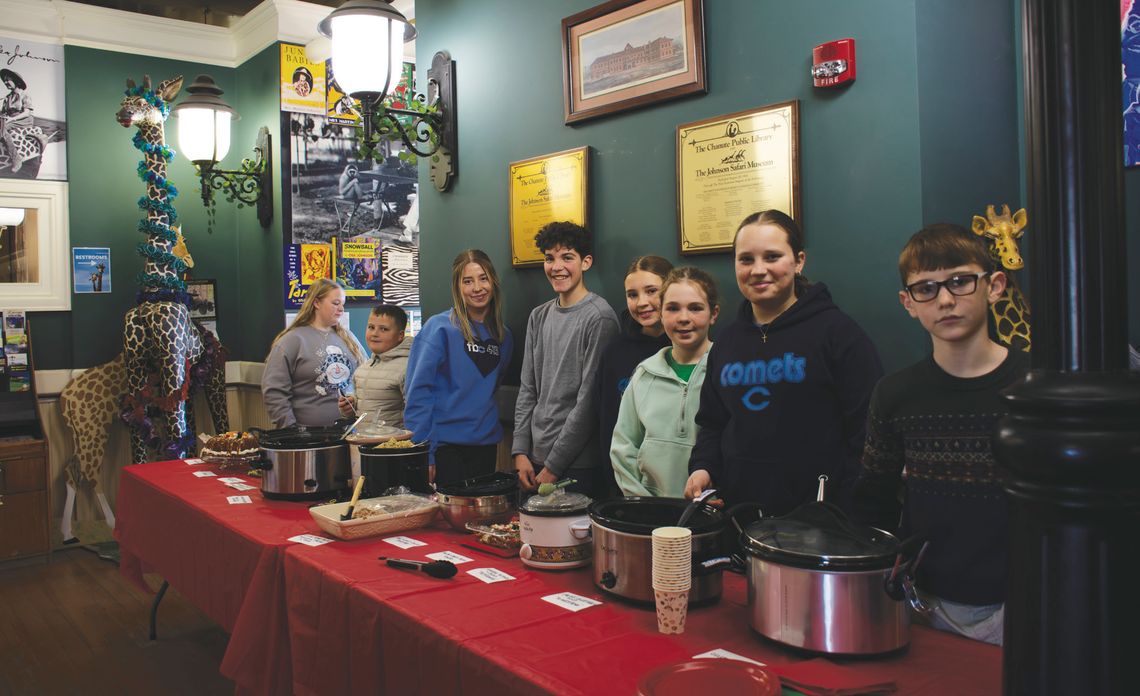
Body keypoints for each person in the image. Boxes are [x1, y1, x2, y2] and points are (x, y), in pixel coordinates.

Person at [853, 223, 1028, 645]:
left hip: (1024, 603)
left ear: (994, 285)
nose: (945, 300)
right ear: (908, 303)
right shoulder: (895, 395)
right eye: (926, 288)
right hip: (923, 604)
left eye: (960, 281)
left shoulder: (1038, 384)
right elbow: (873, 500)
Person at [685, 210, 883, 514]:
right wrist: (703, 468)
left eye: (772, 257)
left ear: (799, 261)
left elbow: (866, 434)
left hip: (820, 522)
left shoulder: (839, 334)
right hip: (739, 517)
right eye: (746, 259)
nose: (758, 270)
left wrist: (845, 507)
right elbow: (713, 423)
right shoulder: (727, 341)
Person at [513, 222, 620, 495]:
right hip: (534, 458)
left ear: (586, 262)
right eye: (550, 258)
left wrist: (554, 465)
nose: (557, 266)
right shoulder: (539, 316)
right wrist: (520, 451)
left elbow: (588, 402)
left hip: (577, 464)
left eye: (567, 257)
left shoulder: (600, 317)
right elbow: (527, 389)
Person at [404, 250, 513, 486]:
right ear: (457, 287)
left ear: (493, 281)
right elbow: (417, 393)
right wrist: (424, 451)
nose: (477, 288)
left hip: (485, 445)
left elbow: (492, 386)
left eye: (483, 278)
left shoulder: (503, 337)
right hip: (445, 448)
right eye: (468, 281)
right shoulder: (440, 328)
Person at [610, 267, 720, 497]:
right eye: (672, 308)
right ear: (661, 314)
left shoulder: (727, 370)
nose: (683, 318)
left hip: (712, 508)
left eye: (695, 308)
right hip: (652, 512)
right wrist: (641, 504)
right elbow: (624, 448)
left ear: (713, 313)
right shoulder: (644, 374)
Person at [592, 255, 674, 499]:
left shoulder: (689, 348)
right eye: (632, 294)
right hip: (625, 488)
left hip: (680, 487)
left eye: (651, 291)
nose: (642, 302)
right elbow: (607, 423)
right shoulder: (614, 352)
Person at [262, 278, 365, 428]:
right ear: (316, 303)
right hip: (307, 438)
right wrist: (291, 431)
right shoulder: (292, 340)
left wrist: (354, 400)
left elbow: (365, 377)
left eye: (343, 304)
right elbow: (274, 392)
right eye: (336, 303)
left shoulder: (349, 338)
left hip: (349, 434)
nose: (341, 309)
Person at [339, 305, 413, 427]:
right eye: (371, 327)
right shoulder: (363, 369)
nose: (374, 333)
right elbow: (362, 411)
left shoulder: (408, 368)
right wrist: (349, 408)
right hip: (363, 442)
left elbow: (417, 413)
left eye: (383, 329)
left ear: (400, 335)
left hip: (393, 443)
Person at [1, 68, 50, 173]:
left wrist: (11, 119)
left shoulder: (25, 95)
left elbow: (27, 112)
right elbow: (3, 112)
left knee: (3, 128)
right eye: (4, 80)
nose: (5, 82)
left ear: (16, 81)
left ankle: (16, 158)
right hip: (11, 119)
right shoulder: (7, 98)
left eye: (8, 79)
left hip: (24, 119)